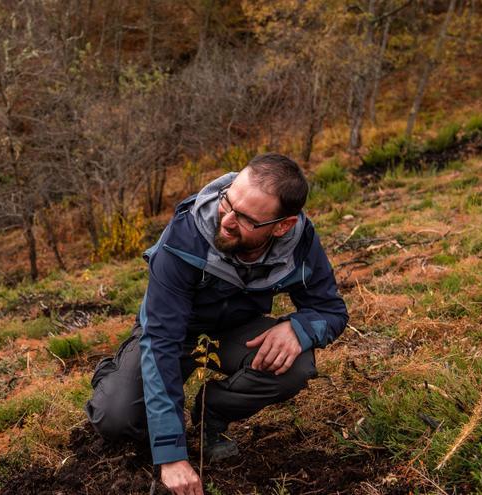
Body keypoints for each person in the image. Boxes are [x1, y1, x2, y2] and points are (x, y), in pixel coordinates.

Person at [85, 153, 348, 495]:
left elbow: (330, 309)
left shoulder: (299, 242)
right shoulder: (185, 235)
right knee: (116, 417)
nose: (226, 219)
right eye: (228, 202)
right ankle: (117, 376)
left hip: (235, 332)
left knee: (296, 365)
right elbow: (162, 340)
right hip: (174, 335)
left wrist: (299, 328)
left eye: (246, 218)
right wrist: (172, 457)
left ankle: (213, 412)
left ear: (283, 225)